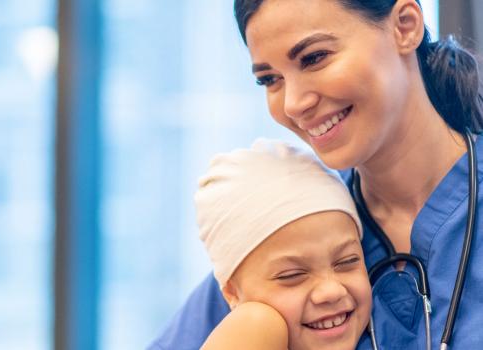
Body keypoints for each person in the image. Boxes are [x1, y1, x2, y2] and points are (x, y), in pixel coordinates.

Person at [148, 0, 483, 349]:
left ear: (405, 26)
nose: (292, 103)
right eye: (270, 79)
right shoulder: (294, 225)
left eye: (314, 58)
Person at [194, 139, 371, 350]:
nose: (331, 291)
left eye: (347, 261)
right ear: (232, 293)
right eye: (292, 275)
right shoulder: (253, 325)